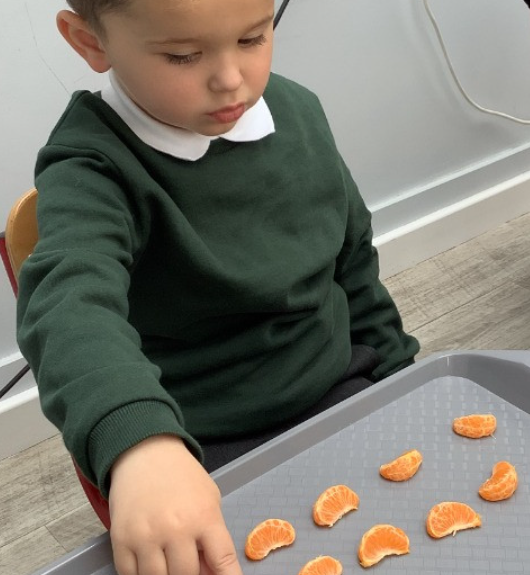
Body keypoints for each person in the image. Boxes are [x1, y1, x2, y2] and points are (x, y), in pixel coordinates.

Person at [16, 0, 419, 574]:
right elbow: (68, 305)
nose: (231, 80)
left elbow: (353, 263)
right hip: (203, 442)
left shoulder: (299, 111)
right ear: (90, 42)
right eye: (184, 55)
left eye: (253, 39)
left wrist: (401, 376)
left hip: (341, 387)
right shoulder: (90, 168)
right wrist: (142, 442)